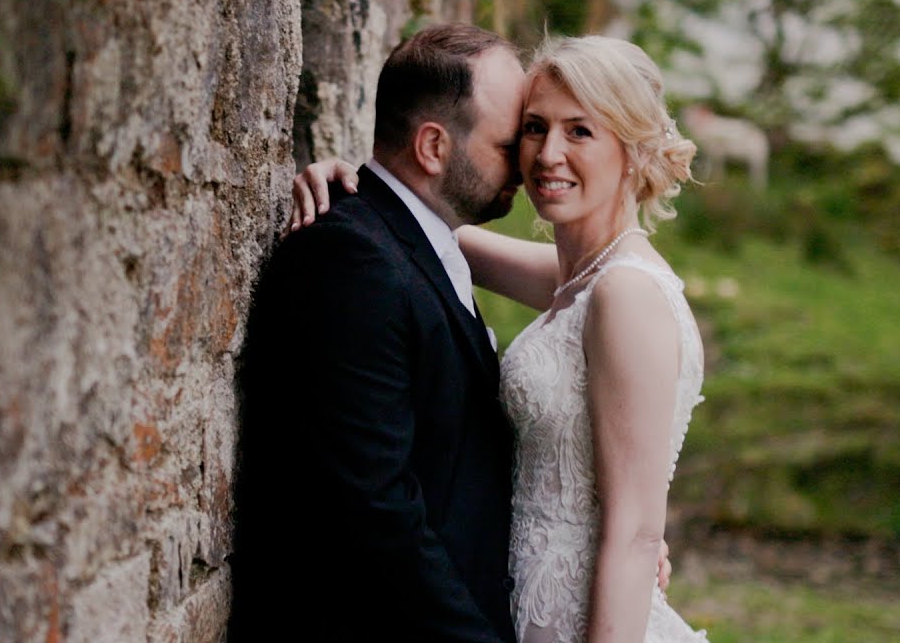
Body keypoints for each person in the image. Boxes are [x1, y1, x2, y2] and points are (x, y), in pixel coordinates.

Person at [294, 34, 708, 642]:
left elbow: (636, 533)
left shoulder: (625, 293)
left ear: (633, 149)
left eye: (581, 132)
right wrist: (350, 179)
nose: (546, 155)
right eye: (534, 128)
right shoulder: (577, 278)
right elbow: (418, 235)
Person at [231, 23, 527, 643]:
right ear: (433, 147)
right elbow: (373, 506)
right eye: (507, 145)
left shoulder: (413, 240)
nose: (525, 166)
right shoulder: (353, 261)